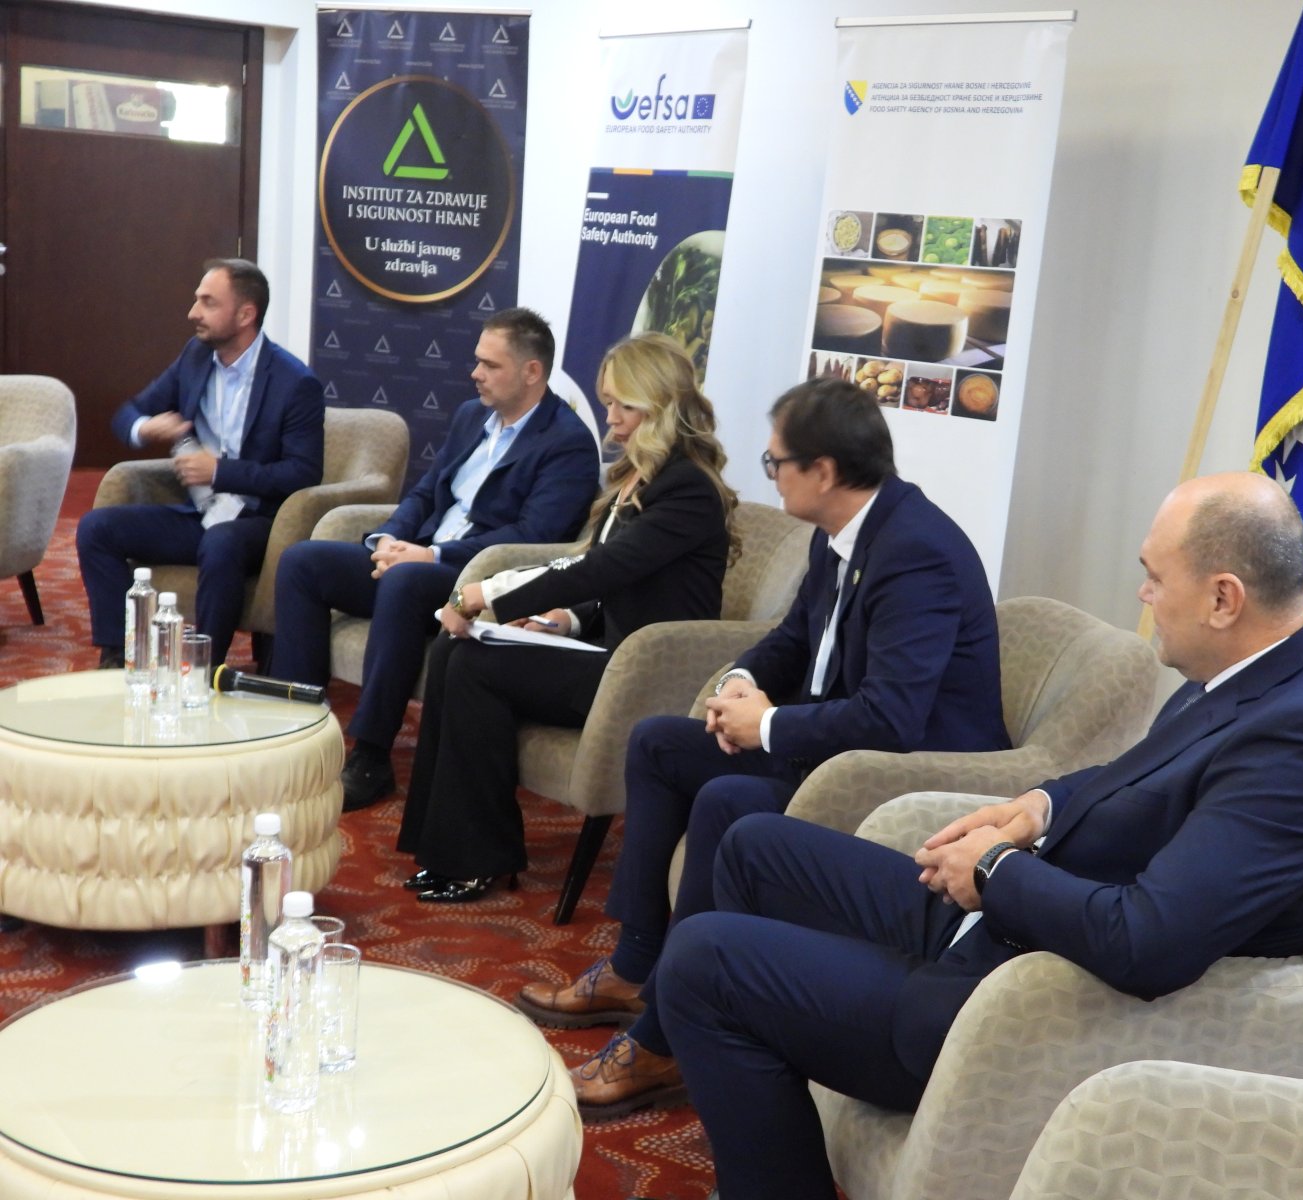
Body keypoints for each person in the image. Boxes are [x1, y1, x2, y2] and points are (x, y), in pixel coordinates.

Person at [650, 471, 1303, 1200]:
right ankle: (743, 1095)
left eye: (1153, 578)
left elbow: (1149, 941)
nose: (1142, 596)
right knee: (753, 846)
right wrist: (1040, 805)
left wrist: (996, 871)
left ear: (1223, 598)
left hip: (1020, 1007)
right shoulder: (1253, 676)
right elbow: (1141, 777)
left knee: (701, 961)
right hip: (1011, 929)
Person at [519, 376, 1010, 1119]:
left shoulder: (917, 552)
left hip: (895, 774)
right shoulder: (840, 531)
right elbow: (791, 638)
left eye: (776, 461)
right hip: (829, 745)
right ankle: (637, 965)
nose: (769, 473)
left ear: (824, 471)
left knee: (730, 797)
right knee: (658, 744)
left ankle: (661, 1041)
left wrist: (769, 727)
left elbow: (893, 718)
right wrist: (741, 684)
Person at [395, 333, 739, 903]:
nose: (612, 418)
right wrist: (561, 621)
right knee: (455, 650)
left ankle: (476, 856)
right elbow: (606, 580)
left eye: (624, 405)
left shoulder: (686, 489)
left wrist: (486, 594)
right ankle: (444, 848)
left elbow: (600, 568)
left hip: (644, 673)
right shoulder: (641, 475)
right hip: (609, 652)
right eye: (609, 403)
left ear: (660, 407)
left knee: (476, 665)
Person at [270, 307, 597, 812]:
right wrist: (388, 540)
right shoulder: (471, 416)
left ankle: (371, 756)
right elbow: (425, 493)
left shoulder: (567, 443)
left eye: (490, 365)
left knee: (404, 583)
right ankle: (297, 728)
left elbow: (534, 537)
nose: (475, 373)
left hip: (475, 579)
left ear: (532, 371)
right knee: (303, 562)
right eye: (477, 361)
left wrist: (431, 554)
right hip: (419, 557)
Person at [77, 258, 323, 663]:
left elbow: (303, 473)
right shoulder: (195, 357)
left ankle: (205, 668)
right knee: (96, 528)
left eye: (208, 302)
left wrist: (221, 472)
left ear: (245, 315)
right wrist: (146, 427)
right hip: (201, 514)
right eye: (197, 300)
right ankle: (120, 656)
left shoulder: (295, 383)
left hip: (258, 522)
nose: (193, 312)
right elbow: (128, 414)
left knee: (222, 542)